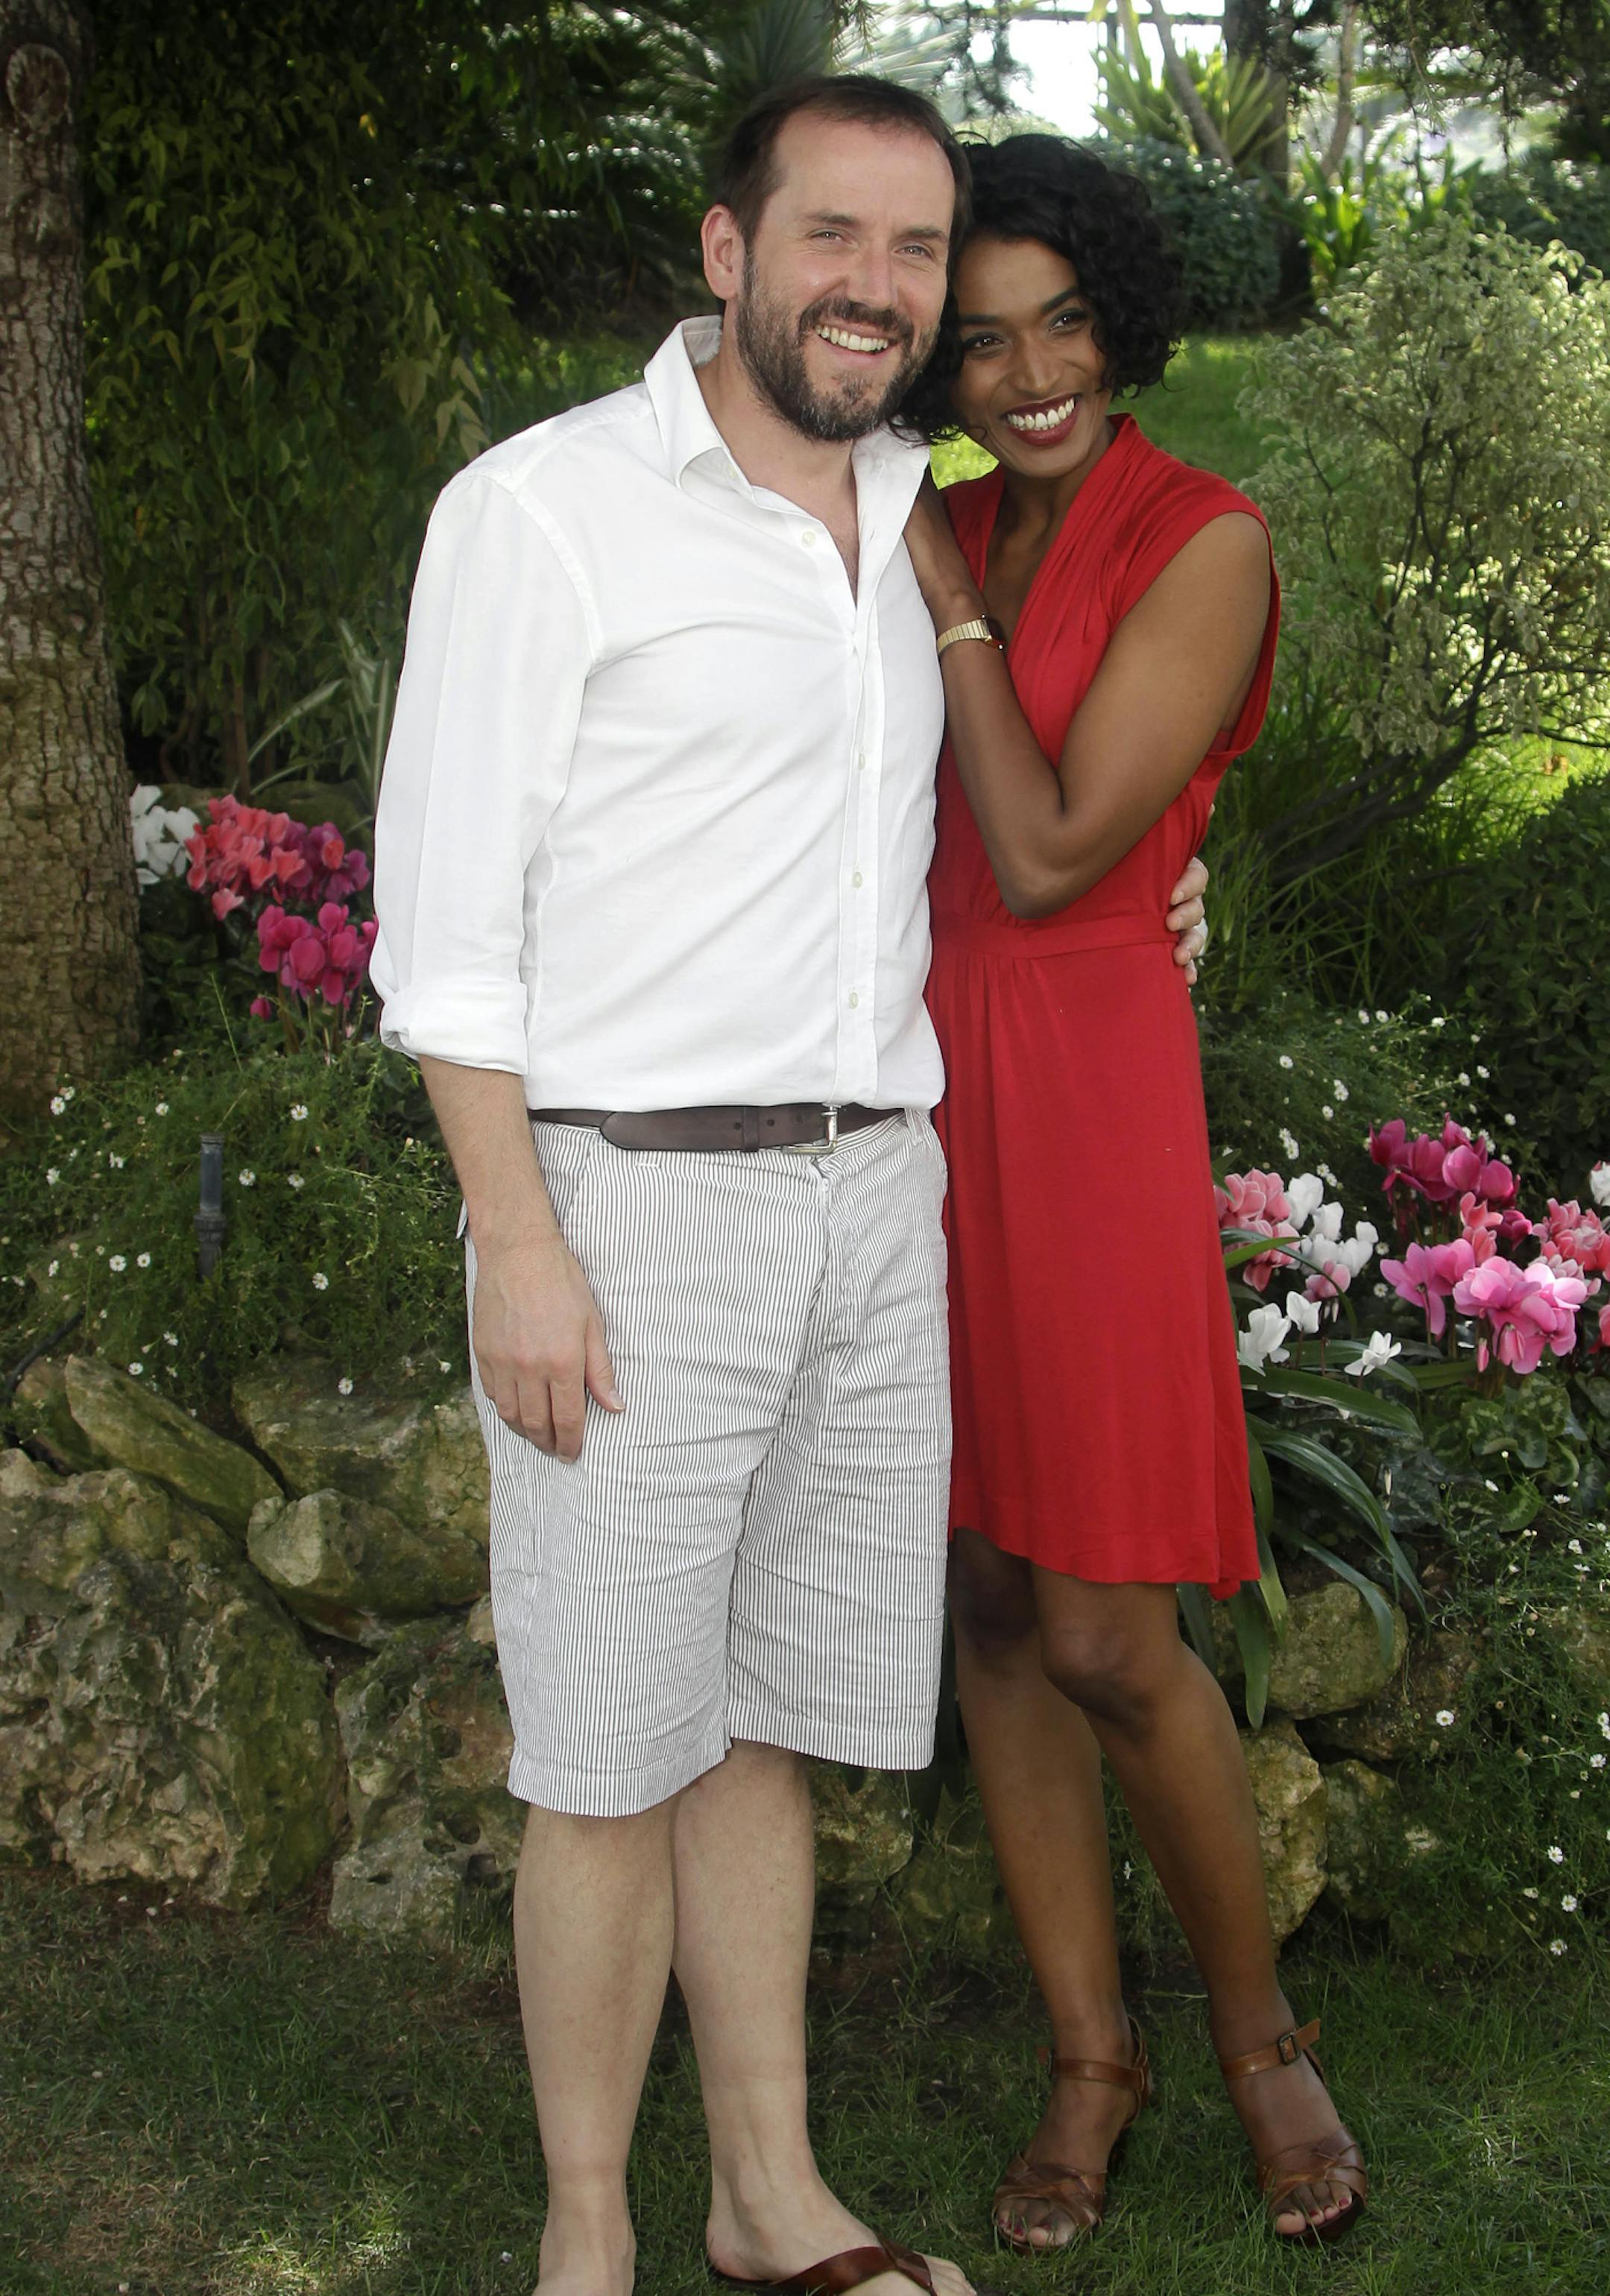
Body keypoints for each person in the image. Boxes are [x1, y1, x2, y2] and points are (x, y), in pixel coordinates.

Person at [372, 78, 1205, 2296]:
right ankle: (585, 2241)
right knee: (601, 1752)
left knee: (759, 1727)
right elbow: (444, 933)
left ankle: (769, 2197)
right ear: (729, 251)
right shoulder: (545, 515)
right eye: (832, 238)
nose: (880, 290)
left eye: (916, 253)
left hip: (872, 1203)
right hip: (630, 1214)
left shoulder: (916, 519)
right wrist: (520, 1244)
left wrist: (1167, 910)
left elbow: (947, 842)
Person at [898, 136, 1368, 2253]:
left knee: (1103, 1615)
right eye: (979, 336)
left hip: (1080, 1084)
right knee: (989, 1593)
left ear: (1124, 311)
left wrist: (962, 612)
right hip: (911, 1078)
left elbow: (1060, 849)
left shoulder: (1208, 535)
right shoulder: (924, 523)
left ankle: (1263, 2036)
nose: (1027, 372)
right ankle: (1092, 2055)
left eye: (1061, 317)